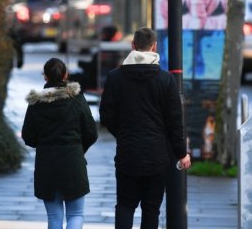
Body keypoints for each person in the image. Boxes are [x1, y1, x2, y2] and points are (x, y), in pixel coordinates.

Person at [99, 27, 190, 229]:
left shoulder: (115, 77)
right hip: (157, 155)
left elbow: (106, 115)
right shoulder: (166, 80)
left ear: (133, 46)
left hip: (127, 152)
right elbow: (175, 121)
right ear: (154, 47)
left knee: (125, 206)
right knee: (151, 209)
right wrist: (181, 153)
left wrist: (123, 132)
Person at [21, 58, 99, 229]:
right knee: (76, 214)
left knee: (54, 217)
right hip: (73, 162)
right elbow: (91, 132)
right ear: (65, 75)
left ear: (45, 77)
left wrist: (44, 145)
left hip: (46, 163)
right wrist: (78, 148)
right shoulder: (77, 99)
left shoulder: (36, 103)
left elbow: (28, 136)